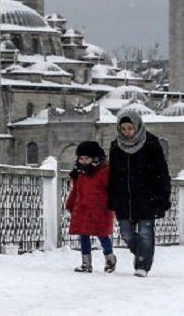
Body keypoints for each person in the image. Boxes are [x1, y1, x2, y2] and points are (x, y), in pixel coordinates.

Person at [108, 110, 171, 277]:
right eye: (124, 129)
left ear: (137, 126)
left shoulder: (151, 144)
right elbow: (112, 174)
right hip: (124, 198)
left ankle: (142, 265)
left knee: (145, 233)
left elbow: (162, 173)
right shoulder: (116, 146)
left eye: (130, 128)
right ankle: (144, 253)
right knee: (126, 234)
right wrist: (112, 198)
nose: (127, 132)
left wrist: (163, 198)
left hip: (147, 197)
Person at [65, 141, 116, 273]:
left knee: (103, 235)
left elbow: (112, 190)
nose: (83, 161)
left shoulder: (105, 172)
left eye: (86, 158)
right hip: (83, 208)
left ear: (95, 158)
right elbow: (75, 191)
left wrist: (112, 205)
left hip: (100, 209)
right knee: (84, 235)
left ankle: (110, 259)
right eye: (81, 158)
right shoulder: (80, 173)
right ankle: (86, 263)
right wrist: (70, 204)